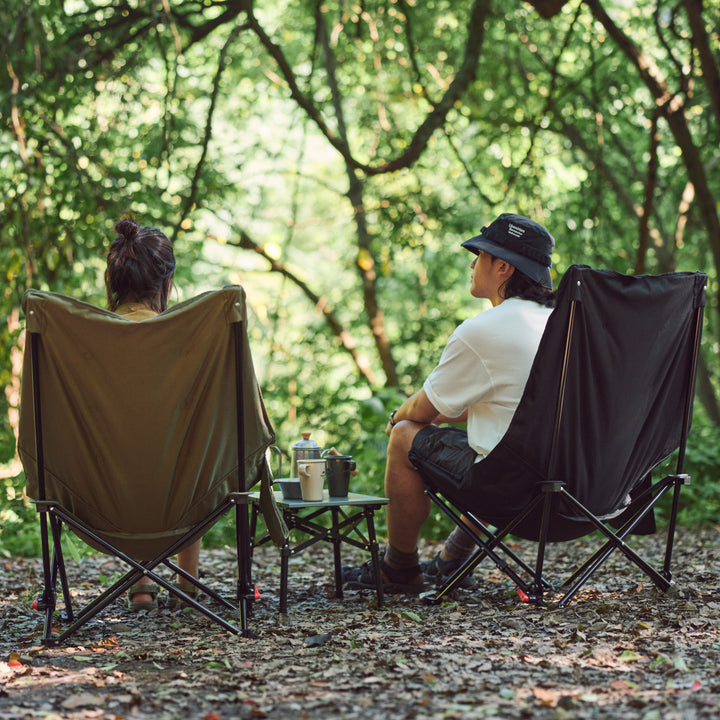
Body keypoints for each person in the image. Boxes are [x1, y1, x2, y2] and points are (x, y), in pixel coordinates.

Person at [345, 213, 557, 593]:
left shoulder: (484, 330)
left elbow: (419, 412)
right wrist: (445, 416)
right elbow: (514, 409)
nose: (473, 265)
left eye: (480, 256)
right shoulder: (567, 325)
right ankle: (453, 559)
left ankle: (399, 568)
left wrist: (396, 418)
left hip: (517, 492)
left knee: (406, 435)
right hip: (581, 492)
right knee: (493, 440)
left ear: (503, 267)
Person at [105, 216, 200, 611]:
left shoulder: (88, 338)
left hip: (105, 488)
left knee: (127, 450)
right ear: (166, 281)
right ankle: (187, 583)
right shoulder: (189, 336)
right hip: (182, 487)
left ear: (114, 280)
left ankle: (141, 585)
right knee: (192, 449)